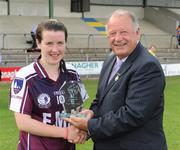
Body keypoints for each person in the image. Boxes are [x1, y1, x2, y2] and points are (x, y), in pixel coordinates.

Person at [64, 9, 167, 150]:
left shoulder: (147, 65)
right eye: (112, 33)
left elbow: (132, 115)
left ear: (137, 33)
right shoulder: (111, 59)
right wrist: (92, 113)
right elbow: (100, 99)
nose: (118, 38)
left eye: (123, 32)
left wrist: (89, 125)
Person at [9, 19, 87, 150]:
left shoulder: (72, 73)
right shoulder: (25, 77)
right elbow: (23, 122)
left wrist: (82, 129)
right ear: (38, 43)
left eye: (60, 43)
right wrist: (66, 132)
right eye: (49, 43)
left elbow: (75, 112)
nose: (55, 49)